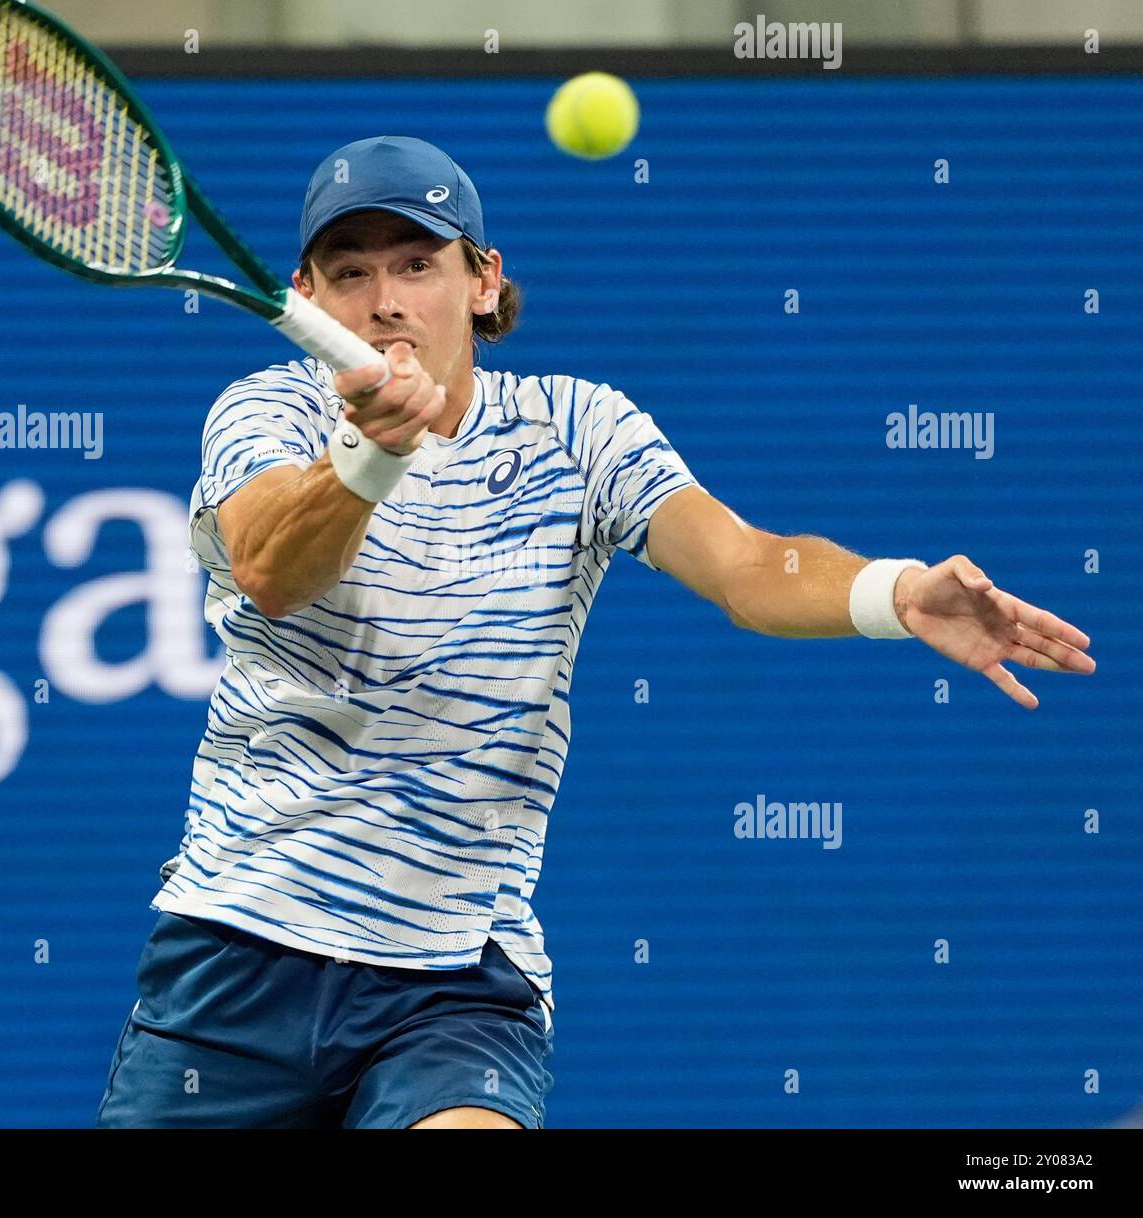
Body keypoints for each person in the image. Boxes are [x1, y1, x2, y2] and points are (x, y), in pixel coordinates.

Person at [95, 135, 1094, 1130]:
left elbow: (747, 566)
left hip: (454, 983)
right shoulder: (263, 414)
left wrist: (896, 591)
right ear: (307, 300)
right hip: (236, 956)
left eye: (417, 264)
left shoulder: (581, 430)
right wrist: (370, 454)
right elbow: (274, 570)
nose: (386, 300)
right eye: (351, 272)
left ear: (483, 284)